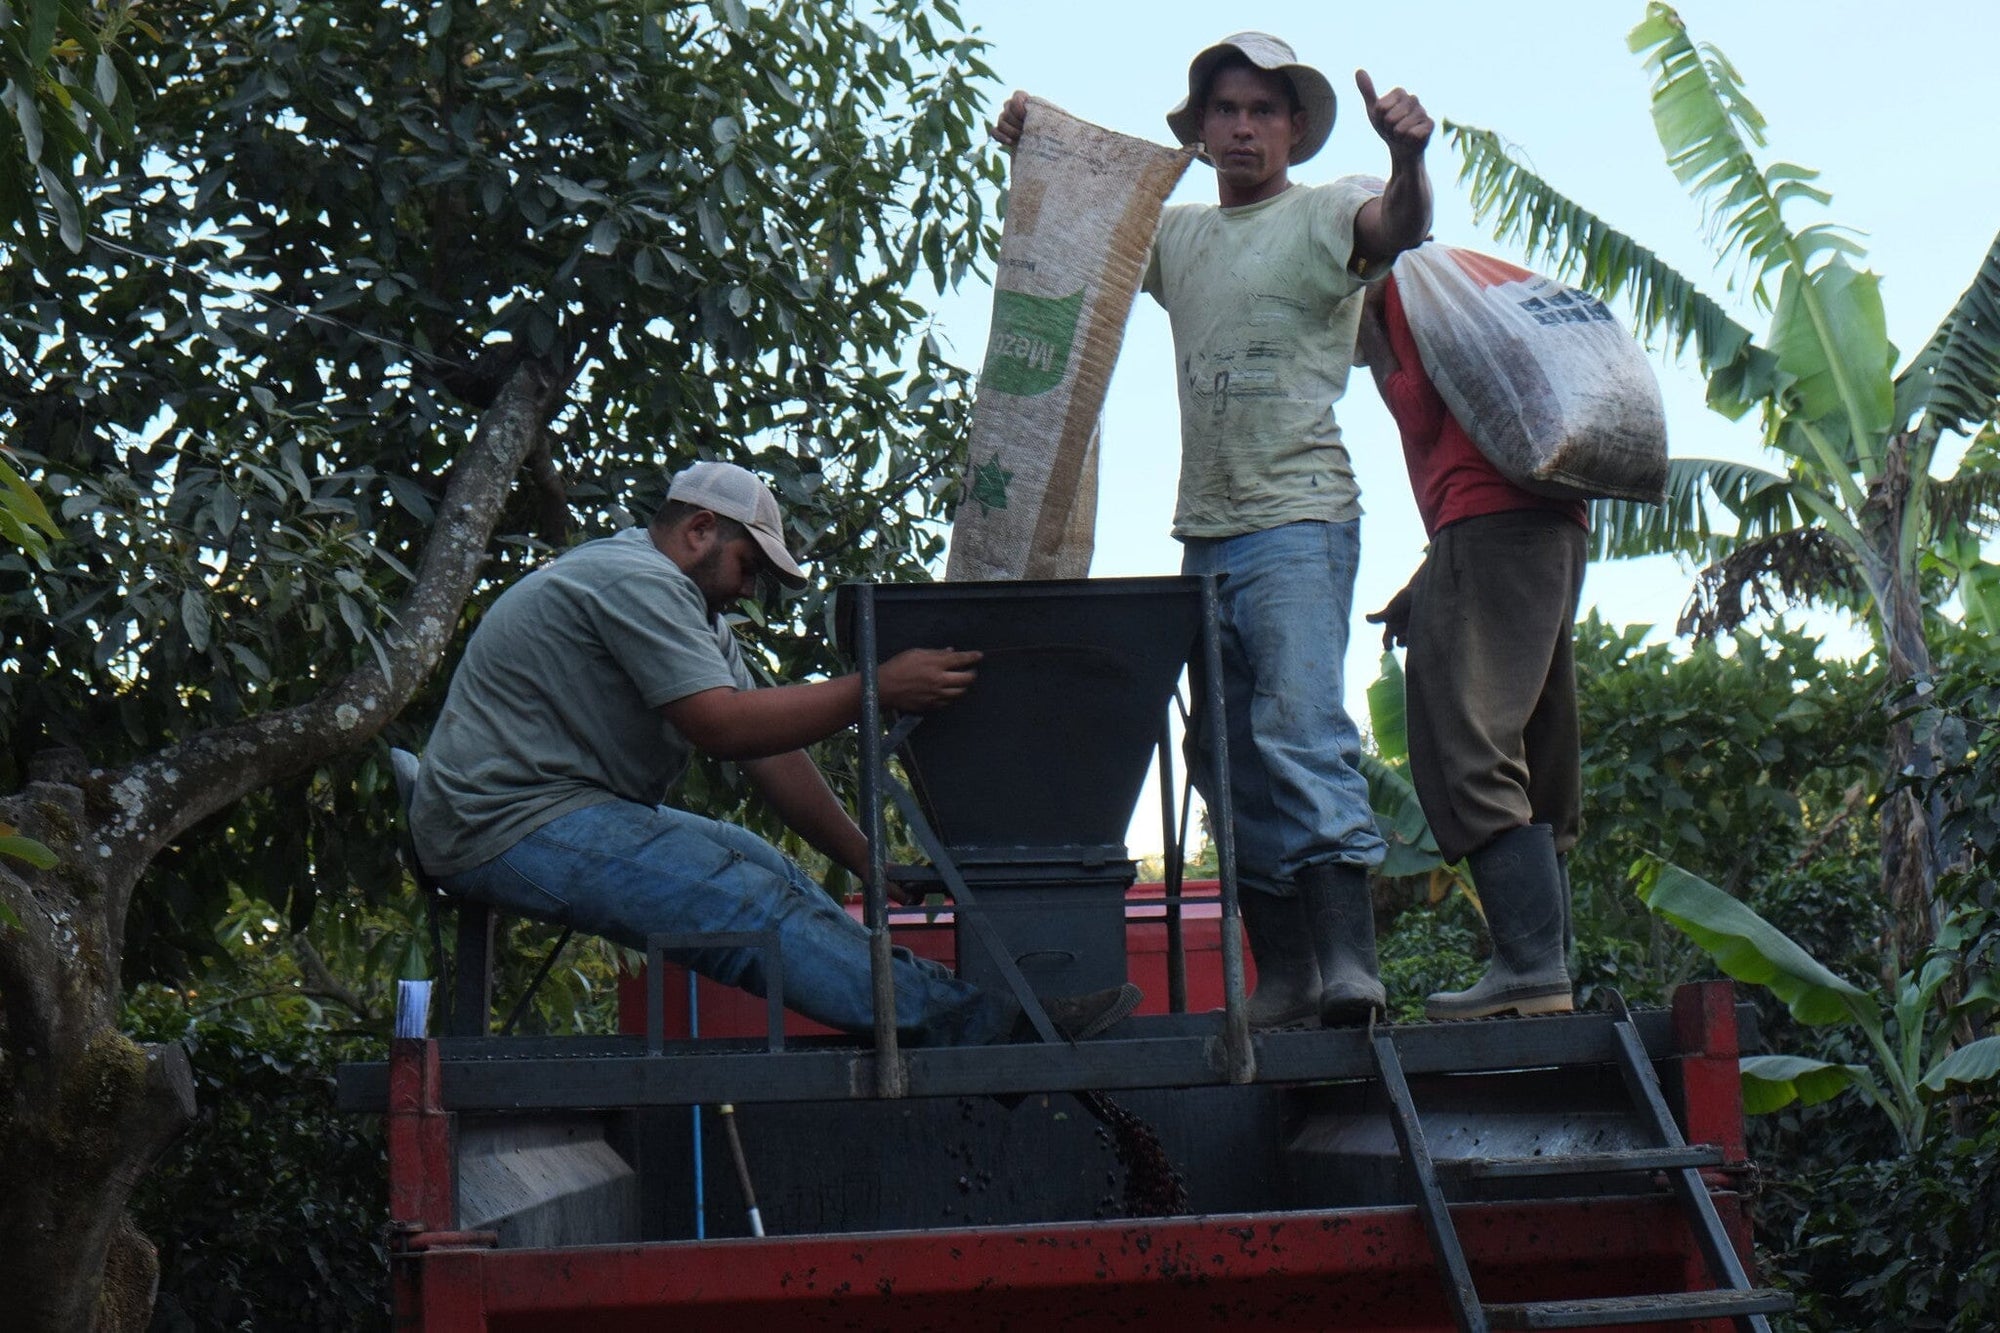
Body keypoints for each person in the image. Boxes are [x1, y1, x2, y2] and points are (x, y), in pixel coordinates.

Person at [993, 34, 1433, 1027]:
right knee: (1225, 760)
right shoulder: (1176, 234)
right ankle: (1282, 975)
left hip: (1297, 520)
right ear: (1197, 131)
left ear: (1291, 130)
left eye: (1261, 111)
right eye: (1224, 111)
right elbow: (1079, 235)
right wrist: (1031, 154)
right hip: (1205, 532)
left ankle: (1348, 966)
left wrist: (1408, 158)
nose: (1241, 127)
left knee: (1299, 731)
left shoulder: (1327, 212)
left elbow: (1395, 226)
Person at [410, 460, 1141, 1045]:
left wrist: (863, 856)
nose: (750, 589)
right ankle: (985, 1027)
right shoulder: (634, 579)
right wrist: (877, 688)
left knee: (772, 872)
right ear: (700, 529)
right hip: (499, 822)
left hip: (567, 807)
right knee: (746, 910)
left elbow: (772, 755)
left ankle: (956, 1010)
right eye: (749, 567)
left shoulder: (693, 611)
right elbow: (724, 728)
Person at [1357, 265, 1586, 1020]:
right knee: (1536, 732)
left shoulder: (1397, 288)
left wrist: (1377, 340)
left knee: (1466, 735)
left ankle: (1528, 965)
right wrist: (1432, 578)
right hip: (1552, 519)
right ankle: (1546, 967)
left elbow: (1423, 409)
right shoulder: (1473, 281)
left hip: (1487, 517)